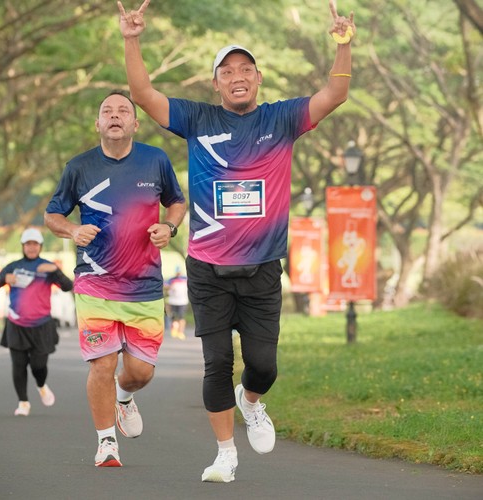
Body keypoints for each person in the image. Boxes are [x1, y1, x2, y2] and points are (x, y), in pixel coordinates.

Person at [118, 0, 355, 482]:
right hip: (207, 269)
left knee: (263, 366)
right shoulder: (197, 119)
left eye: (245, 69)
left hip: (263, 266)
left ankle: (252, 402)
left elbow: (335, 93)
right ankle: (225, 453)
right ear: (216, 83)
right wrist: (132, 38)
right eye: (227, 71)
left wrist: (343, 44)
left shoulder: (281, 119)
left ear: (259, 78)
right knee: (217, 362)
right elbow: (142, 93)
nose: (237, 77)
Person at [44, 90, 186, 467]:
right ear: (98, 123)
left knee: (140, 372)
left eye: (123, 110)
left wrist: (169, 227)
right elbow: (52, 215)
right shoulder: (79, 167)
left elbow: (176, 201)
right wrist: (73, 231)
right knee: (102, 364)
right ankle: (106, 441)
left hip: (144, 285)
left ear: (135, 124)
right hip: (95, 283)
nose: (115, 115)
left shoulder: (155, 160)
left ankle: (124, 396)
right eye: (107, 111)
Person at [0, 227, 73, 417]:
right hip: (16, 324)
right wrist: (3, 278)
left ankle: (41, 385)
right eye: (28, 244)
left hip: (42, 325)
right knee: (18, 365)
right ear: (23, 246)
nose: (32, 247)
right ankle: (23, 402)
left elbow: (68, 286)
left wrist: (56, 271)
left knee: (38, 366)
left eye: (35, 244)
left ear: (40, 246)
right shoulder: (13, 266)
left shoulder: (47, 267)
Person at [165, 267, 189, 340]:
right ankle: (174, 330)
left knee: (181, 317)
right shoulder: (171, 280)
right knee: (174, 316)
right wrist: (170, 287)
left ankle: (181, 332)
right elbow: (165, 286)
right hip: (173, 301)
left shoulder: (185, 279)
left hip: (182, 301)